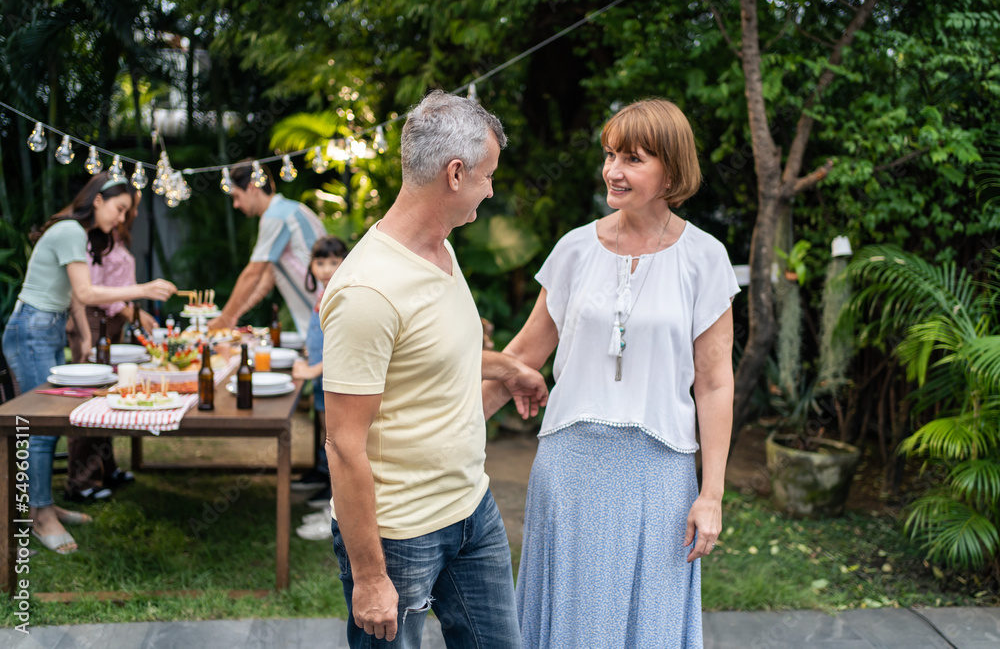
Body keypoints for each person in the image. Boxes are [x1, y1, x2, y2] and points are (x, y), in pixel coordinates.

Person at [483, 99, 739, 647]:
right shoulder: (574, 250)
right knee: (572, 623)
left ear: (671, 169)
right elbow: (523, 355)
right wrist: (449, 426)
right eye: (609, 155)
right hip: (570, 467)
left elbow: (715, 382)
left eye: (633, 159)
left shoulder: (705, 258)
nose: (613, 171)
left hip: (660, 473)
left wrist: (711, 493)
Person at [321, 90, 548, 648]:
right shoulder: (367, 291)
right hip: (399, 537)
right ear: (454, 173)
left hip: (473, 510)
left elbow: (430, 355)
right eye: (488, 175)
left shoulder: (441, 250)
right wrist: (371, 578)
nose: (491, 189)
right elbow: (344, 444)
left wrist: (506, 369)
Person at [2, 172, 176, 554]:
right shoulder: (68, 230)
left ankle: (44, 505)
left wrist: (81, 338)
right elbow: (85, 290)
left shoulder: (75, 235)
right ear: (97, 200)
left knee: (49, 424)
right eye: (119, 209)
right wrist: (143, 290)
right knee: (41, 426)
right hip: (30, 329)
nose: (120, 219)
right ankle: (39, 517)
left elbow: (75, 298)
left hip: (44, 330)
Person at [64, 190, 158, 503]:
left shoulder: (115, 232)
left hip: (113, 321)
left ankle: (105, 467)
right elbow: (94, 290)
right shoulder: (86, 236)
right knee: (90, 398)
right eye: (123, 206)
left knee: (107, 396)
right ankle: (80, 481)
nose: (126, 213)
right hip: (92, 321)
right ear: (100, 200)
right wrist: (136, 310)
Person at [206, 161, 326, 336]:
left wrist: (224, 319)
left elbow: (252, 274)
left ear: (252, 188)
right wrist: (234, 316)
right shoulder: (293, 208)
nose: (236, 205)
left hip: (322, 316)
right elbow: (266, 281)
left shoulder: (275, 216)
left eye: (236, 197)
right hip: (324, 313)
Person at [291, 235, 349, 536]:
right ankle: (330, 498)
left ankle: (336, 513)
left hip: (334, 384)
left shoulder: (340, 295)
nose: (326, 269)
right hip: (321, 384)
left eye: (333, 262)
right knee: (331, 443)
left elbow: (342, 346)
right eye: (320, 262)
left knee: (338, 445)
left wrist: (312, 369)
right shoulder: (323, 294)